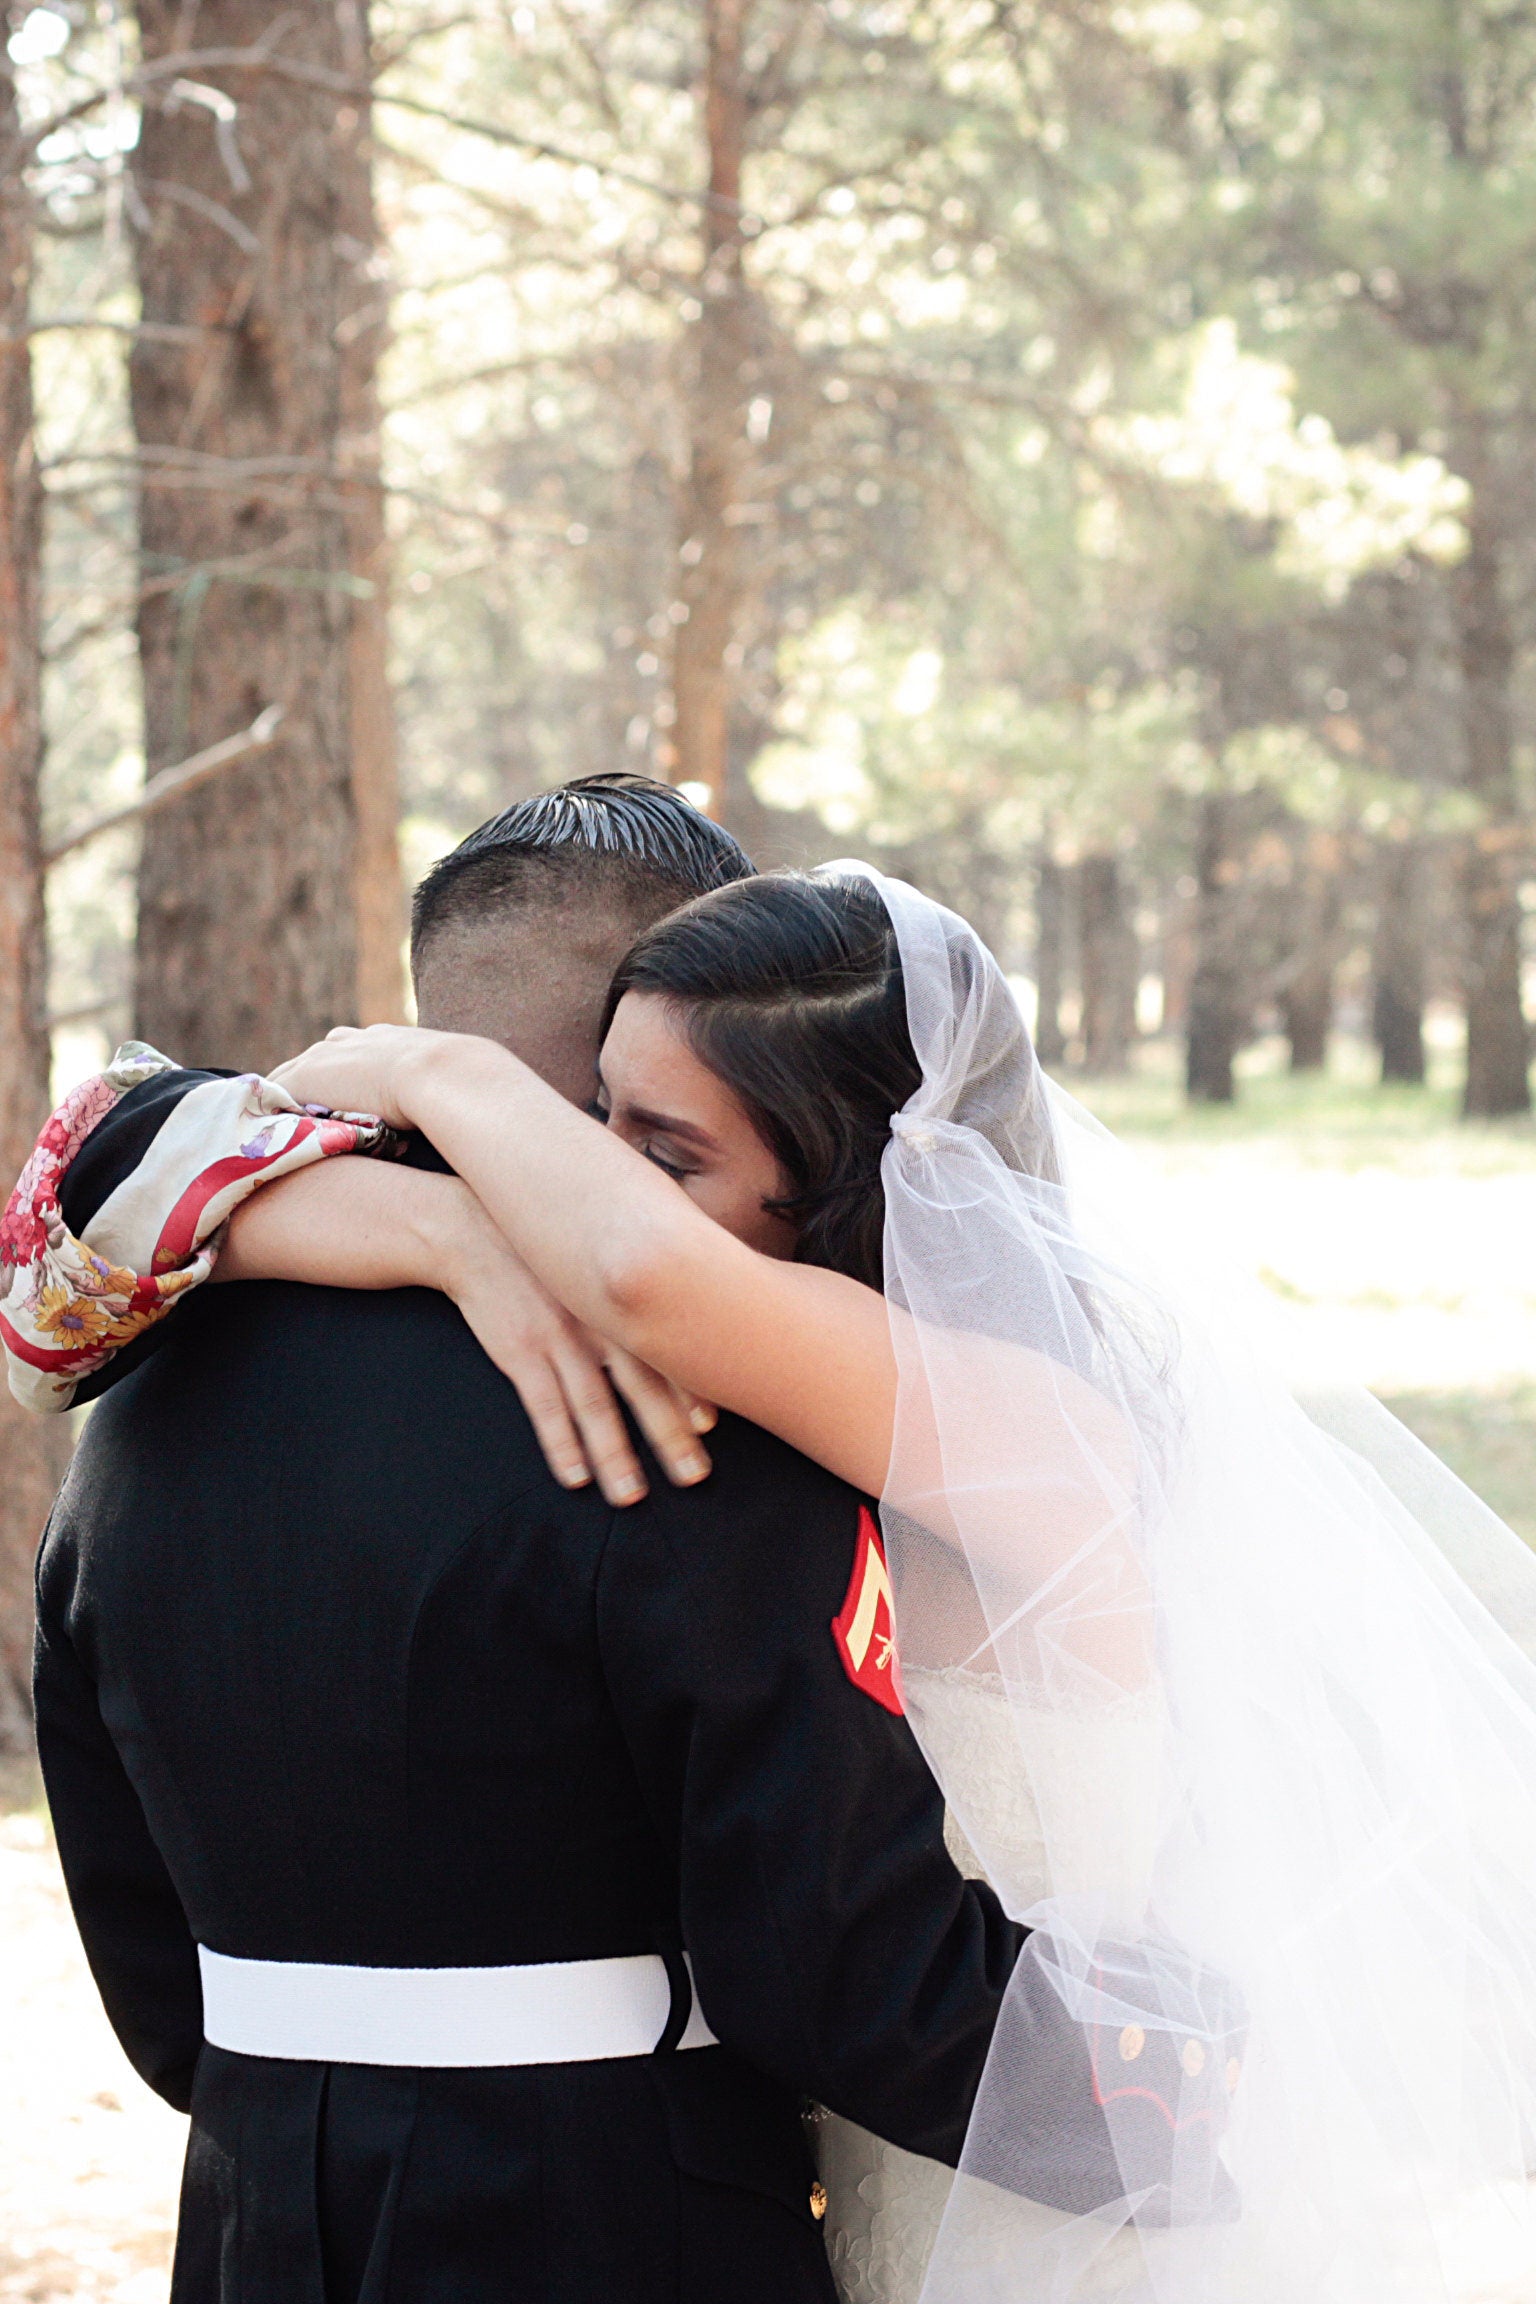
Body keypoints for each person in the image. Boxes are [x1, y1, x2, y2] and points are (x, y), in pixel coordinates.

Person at [26, 853, 1536, 2303]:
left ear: (852, 1185)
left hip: (1054, 2154)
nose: (583, 1188)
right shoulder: (757, 1423)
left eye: (657, 1151)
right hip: (884, 2138)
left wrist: (439, 1086)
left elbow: (640, 1274)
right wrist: (427, 1220)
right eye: (592, 1123)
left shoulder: (998, 1411)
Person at [11, 780, 1054, 2304]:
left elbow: (134, 1916)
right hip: (621, 2209)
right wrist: (1193, 2096)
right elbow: (842, 1971)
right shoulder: (688, 1416)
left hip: (252, 2207)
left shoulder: (149, 1382)